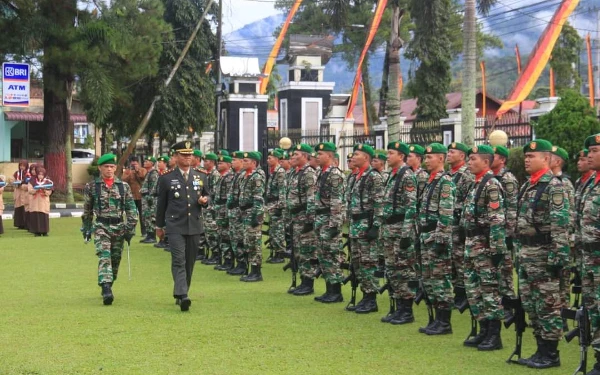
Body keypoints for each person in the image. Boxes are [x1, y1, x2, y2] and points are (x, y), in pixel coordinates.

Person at [516, 139, 569, 368]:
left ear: (546, 159)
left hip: (545, 254)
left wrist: (558, 259)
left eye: (532, 157)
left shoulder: (554, 186)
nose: (527, 160)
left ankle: (551, 354)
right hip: (528, 254)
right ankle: (540, 350)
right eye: (526, 156)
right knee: (532, 305)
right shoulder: (529, 185)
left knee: (548, 305)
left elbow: (560, 225)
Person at [461, 145, 506, 351]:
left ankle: (494, 335)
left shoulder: (491, 185)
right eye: (469, 159)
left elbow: (497, 220)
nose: (469, 162)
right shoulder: (476, 183)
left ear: (486, 162)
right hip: (472, 245)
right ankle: (483, 329)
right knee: (474, 290)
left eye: (473, 159)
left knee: (489, 290)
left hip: (485, 246)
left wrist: (496, 251)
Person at [156, 141, 209, 311]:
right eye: (184, 155)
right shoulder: (166, 177)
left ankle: (181, 291)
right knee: (178, 259)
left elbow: (208, 196)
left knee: (190, 261)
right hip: (175, 225)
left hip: (194, 224)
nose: (187, 158)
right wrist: (159, 226)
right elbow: (161, 204)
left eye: (190, 155)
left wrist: (205, 201)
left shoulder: (201, 176)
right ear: (176, 156)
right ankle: (184, 294)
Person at [81, 153, 138, 305]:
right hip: (101, 226)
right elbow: (87, 210)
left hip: (119, 227)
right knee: (104, 255)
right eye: (106, 166)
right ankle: (106, 287)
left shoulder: (123, 187)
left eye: (112, 167)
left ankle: (109, 282)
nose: (109, 169)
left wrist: (130, 228)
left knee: (115, 259)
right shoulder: (92, 187)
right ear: (100, 168)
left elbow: (132, 209)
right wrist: (86, 229)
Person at [418, 143, 455, 335]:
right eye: (425, 157)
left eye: (429, 157)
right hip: (426, 236)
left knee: (440, 280)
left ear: (441, 159)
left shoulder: (445, 181)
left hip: (436, 237)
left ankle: (444, 322)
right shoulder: (431, 181)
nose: (426, 160)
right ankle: (434, 319)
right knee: (430, 279)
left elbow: (446, 213)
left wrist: (441, 239)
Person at [380, 141, 418, 324]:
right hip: (389, 230)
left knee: (404, 270)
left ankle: (407, 310)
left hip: (400, 230)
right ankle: (398, 307)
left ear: (401, 156)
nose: (387, 156)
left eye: (391, 153)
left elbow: (411, 208)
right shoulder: (392, 175)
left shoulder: (407, 176)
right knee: (392, 269)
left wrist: (405, 234)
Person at [347, 144, 384, 314]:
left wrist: (376, 226)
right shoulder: (357, 176)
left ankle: (371, 299)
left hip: (366, 226)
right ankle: (365, 295)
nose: (353, 157)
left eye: (356, 155)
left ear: (366, 158)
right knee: (358, 263)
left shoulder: (373, 177)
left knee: (369, 263)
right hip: (356, 226)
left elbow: (379, 204)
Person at [313, 142, 345, 303]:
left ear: (330, 156)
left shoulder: (335, 175)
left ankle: (336, 291)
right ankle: (329, 289)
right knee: (323, 255)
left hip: (329, 220)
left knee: (332, 255)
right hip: (320, 219)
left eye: (320, 154)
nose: (317, 157)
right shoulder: (321, 173)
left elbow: (337, 202)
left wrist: (334, 225)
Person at [579, 135, 600, 374]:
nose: (589, 155)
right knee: (594, 310)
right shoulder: (591, 182)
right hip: (590, 259)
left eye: (594, 151)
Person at [446, 142, 475, 311]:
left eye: (452, 152)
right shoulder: (449, 175)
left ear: (462, 156)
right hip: (450, 225)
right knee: (452, 260)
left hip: (460, 225)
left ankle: (463, 295)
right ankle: (458, 292)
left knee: (460, 261)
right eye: (448, 152)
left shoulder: (466, 175)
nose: (449, 154)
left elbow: (467, 201)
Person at [491, 145, 519, 317]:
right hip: (494, 232)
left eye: (493, 156)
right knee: (495, 270)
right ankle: (499, 303)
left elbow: (511, 208)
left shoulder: (507, 178)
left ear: (502, 159)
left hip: (504, 233)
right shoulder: (491, 178)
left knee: (505, 271)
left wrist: (508, 234)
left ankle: (509, 305)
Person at [286, 144, 318, 295]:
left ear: (305, 157)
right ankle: (303, 280)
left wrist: (309, 221)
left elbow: (312, 198)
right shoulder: (295, 173)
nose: (292, 157)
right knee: (298, 251)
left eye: (296, 154)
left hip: (304, 218)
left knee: (307, 251)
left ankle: (308, 283)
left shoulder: (308, 173)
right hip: (295, 218)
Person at [238, 151, 266, 281]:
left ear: (254, 163)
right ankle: (251, 270)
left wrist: (257, 215)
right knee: (248, 242)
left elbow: (258, 197)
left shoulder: (257, 176)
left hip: (253, 212)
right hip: (245, 213)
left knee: (254, 242)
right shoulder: (245, 175)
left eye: (246, 161)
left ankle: (256, 272)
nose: (243, 163)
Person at [213, 154, 235, 271]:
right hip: (219, 209)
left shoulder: (229, 177)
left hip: (225, 210)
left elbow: (228, 197)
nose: (219, 165)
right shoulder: (223, 176)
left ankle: (228, 260)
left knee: (226, 236)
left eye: (221, 163)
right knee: (222, 235)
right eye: (219, 163)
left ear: (228, 164)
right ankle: (225, 259)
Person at [265, 149, 287, 264]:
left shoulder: (280, 172)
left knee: (278, 230)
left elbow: (282, 190)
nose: (268, 160)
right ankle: (275, 251)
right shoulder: (273, 171)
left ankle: (280, 253)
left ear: (277, 159)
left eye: (270, 158)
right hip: (271, 204)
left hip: (277, 205)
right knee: (273, 229)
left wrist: (280, 206)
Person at [227, 151, 246, 276]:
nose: (232, 162)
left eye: (235, 160)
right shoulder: (235, 175)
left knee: (240, 239)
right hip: (233, 211)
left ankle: (242, 264)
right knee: (234, 238)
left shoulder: (243, 176)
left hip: (239, 212)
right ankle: (239, 262)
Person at [122, 157, 147, 236]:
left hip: (141, 196)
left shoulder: (142, 170)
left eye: (135, 164)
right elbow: (123, 180)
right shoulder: (127, 171)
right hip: (131, 196)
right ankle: (131, 231)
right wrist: (130, 173)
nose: (133, 166)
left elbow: (143, 178)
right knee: (131, 215)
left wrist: (137, 171)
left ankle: (144, 232)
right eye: (132, 164)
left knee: (142, 215)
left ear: (138, 163)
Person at [27, 167, 53, 237]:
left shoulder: (48, 182)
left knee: (43, 216)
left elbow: (49, 192)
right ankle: (36, 232)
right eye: (39, 174)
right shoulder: (32, 181)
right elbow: (29, 190)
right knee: (35, 216)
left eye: (42, 175)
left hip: (43, 202)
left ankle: (44, 232)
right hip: (35, 202)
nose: (40, 176)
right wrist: (35, 189)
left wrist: (44, 190)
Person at [140, 156, 159, 244]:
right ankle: (148, 234)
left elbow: (153, 187)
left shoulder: (153, 173)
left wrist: (150, 197)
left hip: (150, 199)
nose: (145, 162)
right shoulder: (149, 173)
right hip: (146, 198)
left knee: (150, 217)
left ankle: (152, 236)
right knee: (146, 217)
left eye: (147, 161)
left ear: (152, 163)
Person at [153, 155, 171, 249]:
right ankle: (162, 239)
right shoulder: (160, 174)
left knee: (166, 220)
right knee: (160, 218)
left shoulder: (167, 174)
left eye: (161, 162)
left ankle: (166, 240)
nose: (159, 164)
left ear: (165, 164)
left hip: (166, 201)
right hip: (159, 199)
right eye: (158, 162)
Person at [12, 160, 29, 229]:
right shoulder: (16, 173)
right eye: (20, 165)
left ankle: (26, 224)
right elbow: (13, 181)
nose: (22, 167)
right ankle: (19, 224)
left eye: (23, 166)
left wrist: (23, 184)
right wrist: (15, 183)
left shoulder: (29, 173)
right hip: (18, 192)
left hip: (25, 193)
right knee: (18, 208)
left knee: (25, 208)